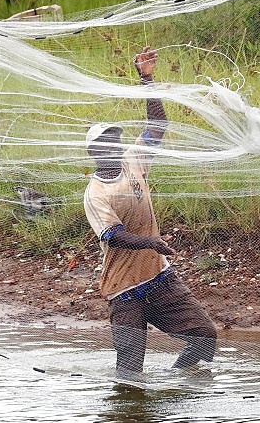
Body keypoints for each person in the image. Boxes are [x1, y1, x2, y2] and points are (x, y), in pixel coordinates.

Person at [83, 46, 218, 376]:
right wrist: (151, 243)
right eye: (106, 142)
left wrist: (147, 79)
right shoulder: (95, 193)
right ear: (94, 152)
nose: (114, 145)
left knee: (205, 337)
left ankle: (177, 383)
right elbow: (113, 236)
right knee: (129, 370)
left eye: (116, 138)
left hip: (159, 278)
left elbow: (158, 123)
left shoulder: (134, 160)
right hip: (125, 291)